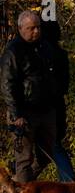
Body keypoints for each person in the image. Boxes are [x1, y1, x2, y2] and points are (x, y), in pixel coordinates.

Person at [0, 11, 63, 183]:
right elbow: (7, 84)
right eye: (31, 28)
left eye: (37, 27)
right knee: (24, 158)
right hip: (24, 111)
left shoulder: (45, 47)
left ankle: (24, 186)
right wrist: (16, 113)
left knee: (47, 153)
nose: (35, 31)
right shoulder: (13, 51)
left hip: (46, 109)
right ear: (21, 29)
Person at [40, 19, 75, 181]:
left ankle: (69, 182)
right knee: (53, 145)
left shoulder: (43, 54)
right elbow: (64, 84)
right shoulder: (62, 54)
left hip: (47, 107)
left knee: (52, 146)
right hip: (58, 105)